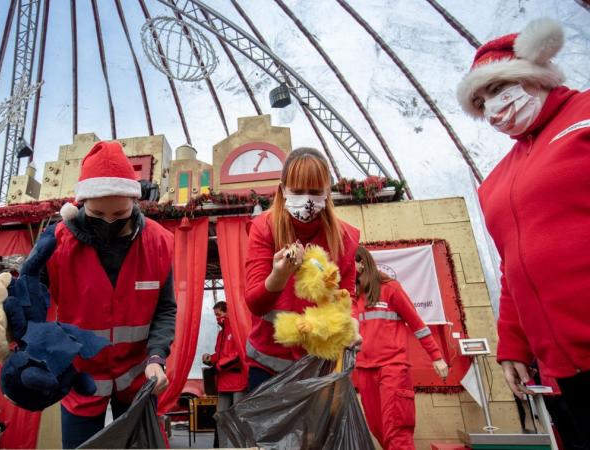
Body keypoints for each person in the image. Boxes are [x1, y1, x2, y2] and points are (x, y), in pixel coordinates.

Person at [0, 141, 176, 449]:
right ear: (80, 206)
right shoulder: (56, 243)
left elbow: (165, 309)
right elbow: (26, 299)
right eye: (96, 213)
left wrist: (157, 357)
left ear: (136, 199)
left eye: (119, 213)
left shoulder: (159, 243)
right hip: (79, 379)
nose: (109, 222)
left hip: (138, 378)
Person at [456, 17, 590, 432]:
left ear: (534, 74)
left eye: (497, 88)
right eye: (480, 102)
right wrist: (513, 342)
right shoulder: (495, 182)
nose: (493, 106)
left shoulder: (584, 115)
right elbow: (512, 267)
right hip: (563, 374)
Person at [244, 147, 361, 391]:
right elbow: (255, 303)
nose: (307, 200)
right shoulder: (264, 227)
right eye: (297, 191)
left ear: (327, 192)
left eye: (316, 192)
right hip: (268, 366)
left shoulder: (345, 237)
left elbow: (346, 297)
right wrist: (279, 275)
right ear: (282, 190)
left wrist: (353, 324)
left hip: (321, 363)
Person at [352, 246, 448, 450]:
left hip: (392, 368)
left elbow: (417, 325)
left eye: (346, 262)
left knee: (396, 430)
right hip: (364, 371)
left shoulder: (390, 288)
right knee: (377, 428)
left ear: (361, 263)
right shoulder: (349, 298)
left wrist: (436, 356)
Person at [202, 301, 246, 447]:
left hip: (238, 381)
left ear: (227, 312)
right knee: (221, 417)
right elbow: (222, 356)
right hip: (223, 381)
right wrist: (211, 360)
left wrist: (217, 366)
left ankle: (240, 447)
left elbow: (237, 355)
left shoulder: (237, 330)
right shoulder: (221, 334)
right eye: (215, 315)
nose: (216, 318)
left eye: (218, 314)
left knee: (238, 417)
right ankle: (222, 446)